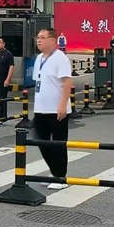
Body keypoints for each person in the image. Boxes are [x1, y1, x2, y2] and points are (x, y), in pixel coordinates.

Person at [31, 29, 73, 190]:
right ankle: (55, 172)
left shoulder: (60, 58)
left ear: (53, 40)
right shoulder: (39, 58)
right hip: (41, 108)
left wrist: (62, 105)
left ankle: (60, 177)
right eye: (38, 37)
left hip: (57, 110)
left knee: (58, 144)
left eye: (43, 37)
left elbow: (67, 82)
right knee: (41, 141)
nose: (39, 40)